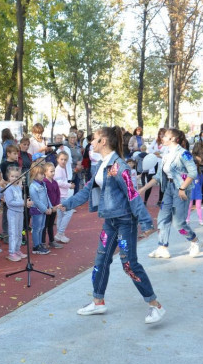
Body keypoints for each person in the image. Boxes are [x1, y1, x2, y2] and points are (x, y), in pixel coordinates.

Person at [60, 126, 164, 324]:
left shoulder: (118, 166)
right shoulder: (102, 164)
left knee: (129, 264)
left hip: (125, 221)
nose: (91, 142)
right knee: (101, 261)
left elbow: (132, 194)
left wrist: (145, 221)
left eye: (94, 139)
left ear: (103, 142)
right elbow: (88, 190)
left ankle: (155, 305)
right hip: (110, 221)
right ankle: (98, 301)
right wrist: (66, 205)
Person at [141, 128, 203, 259]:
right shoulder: (166, 154)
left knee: (179, 223)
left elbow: (193, 173)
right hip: (168, 189)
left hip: (181, 190)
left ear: (173, 139)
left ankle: (195, 241)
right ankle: (162, 247)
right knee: (163, 219)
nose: (162, 138)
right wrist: (142, 189)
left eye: (165, 136)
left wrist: (182, 189)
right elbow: (158, 176)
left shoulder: (184, 153)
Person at [2, 166, 26, 261]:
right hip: (12, 213)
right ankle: (12, 252)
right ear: (8, 177)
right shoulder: (8, 188)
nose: (14, 178)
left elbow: (19, 199)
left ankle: (17, 249)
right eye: (12, 176)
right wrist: (23, 203)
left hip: (20, 212)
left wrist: (25, 202)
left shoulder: (18, 187)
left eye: (17, 177)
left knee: (19, 232)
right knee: (13, 233)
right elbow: (10, 202)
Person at [28, 164, 52, 255]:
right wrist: (45, 209)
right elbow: (36, 201)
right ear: (34, 175)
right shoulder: (33, 187)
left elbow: (46, 196)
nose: (43, 176)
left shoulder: (43, 184)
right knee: (36, 228)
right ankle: (36, 246)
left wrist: (50, 206)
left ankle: (40, 243)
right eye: (40, 174)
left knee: (41, 228)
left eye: (43, 174)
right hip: (37, 210)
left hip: (44, 210)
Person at [41, 162, 63, 250]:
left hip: (54, 207)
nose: (53, 173)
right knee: (44, 225)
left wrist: (56, 205)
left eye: (54, 171)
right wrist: (49, 207)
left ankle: (51, 240)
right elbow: (45, 196)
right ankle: (42, 242)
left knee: (50, 225)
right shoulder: (44, 182)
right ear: (45, 172)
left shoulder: (55, 182)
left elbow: (58, 193)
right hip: (47, 208)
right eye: (51, 171)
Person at [53, 151, 74, 243]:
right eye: (61, 159)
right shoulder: (58, 169)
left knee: (61, 215)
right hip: (61, 195)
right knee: (68, 213)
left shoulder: (63, 168)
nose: (63, 161)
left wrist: (68, 184)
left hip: (62, 194)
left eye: (65, 160)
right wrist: (69, 185)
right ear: (57, 159)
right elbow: (58, 182)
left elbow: (62, 181)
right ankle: (60, 233)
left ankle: (60, 233)